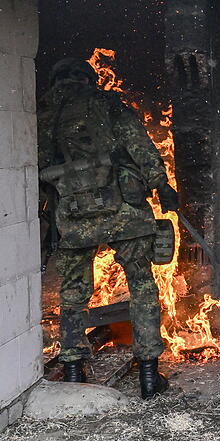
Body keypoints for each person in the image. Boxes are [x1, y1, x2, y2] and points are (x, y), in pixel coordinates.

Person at [38, 58, 179, 399]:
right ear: (88, 79)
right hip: (123, 210)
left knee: (72, 295)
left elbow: (37, 165)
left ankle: (73, 369)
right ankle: (148, 375)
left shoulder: (41, 114)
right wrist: (162, 185)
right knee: (142, 287)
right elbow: (138, 143)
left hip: (73, 217)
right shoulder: (105, 102)